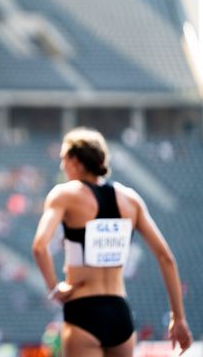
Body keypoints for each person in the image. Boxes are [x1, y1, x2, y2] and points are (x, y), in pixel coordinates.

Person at [32, 127, 192, 357]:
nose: (61, 167)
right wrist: (178, 318)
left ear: (75, 161)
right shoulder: (131, 199)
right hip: (120, 313)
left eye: (63, 160)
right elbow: (166, 257)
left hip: (83, 310)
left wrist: (54, 288)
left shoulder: (64, 195)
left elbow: (39, 246)